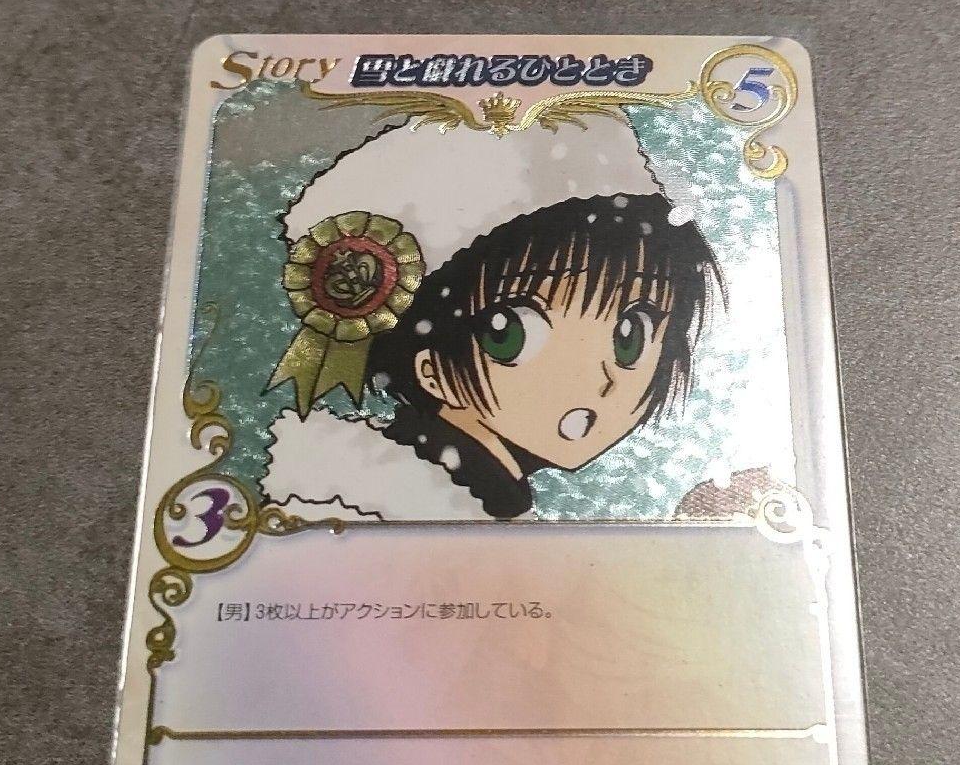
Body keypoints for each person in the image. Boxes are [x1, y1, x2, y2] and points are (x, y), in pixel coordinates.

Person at [263, 112, 723, 520]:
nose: (602, 377)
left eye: (630, 337)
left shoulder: (470, 496)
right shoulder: (375, 502)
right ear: (431, 369)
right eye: (510, 336)